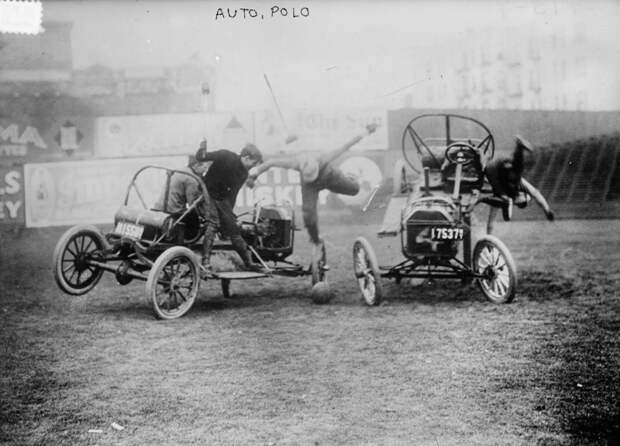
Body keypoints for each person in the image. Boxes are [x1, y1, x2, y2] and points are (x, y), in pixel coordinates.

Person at [246, 123, 379, 247]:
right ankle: (314, 238)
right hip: (310, 186)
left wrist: (366, 131)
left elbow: (347, 144)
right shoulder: (295, 163)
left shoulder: (325, 157)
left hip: (330, 177)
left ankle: (350, 176)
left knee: (355, 189)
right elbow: (271, 163)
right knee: (308, 215)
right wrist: (253, 175)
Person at [195, 140, 265, 272]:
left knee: (234, 229)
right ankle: (205, 261)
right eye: (253, 163)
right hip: (206, 193)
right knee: (213, 223)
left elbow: (232, 196)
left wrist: (230, 217)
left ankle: (248, 263)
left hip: (221, 200)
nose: (253, 166)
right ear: (246, 157)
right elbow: (201, 157)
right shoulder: (225, 155)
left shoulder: (243, 174)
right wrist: (202, 148)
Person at [153, 155, 219, 270]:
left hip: (160, 209)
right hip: (173, 213)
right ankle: (190, 248)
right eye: (205, 167)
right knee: (197, 221)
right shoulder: (192, 179)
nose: (205, 171)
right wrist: (206, 215)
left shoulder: (181, 171)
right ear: (197, 165)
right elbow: (193, 203)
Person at [483, 135, 555, 233]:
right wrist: (547, 210)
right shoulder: (520, 184)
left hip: (494, 169)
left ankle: (518, 148)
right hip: (501, 166)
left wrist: (489, 235)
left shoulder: (503, 196)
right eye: (522, 197)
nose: (520, 196)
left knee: (503, 190)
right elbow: (536, 194)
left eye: (519, 200)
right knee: (517, 170)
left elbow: (491, 219)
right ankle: (519, 148)